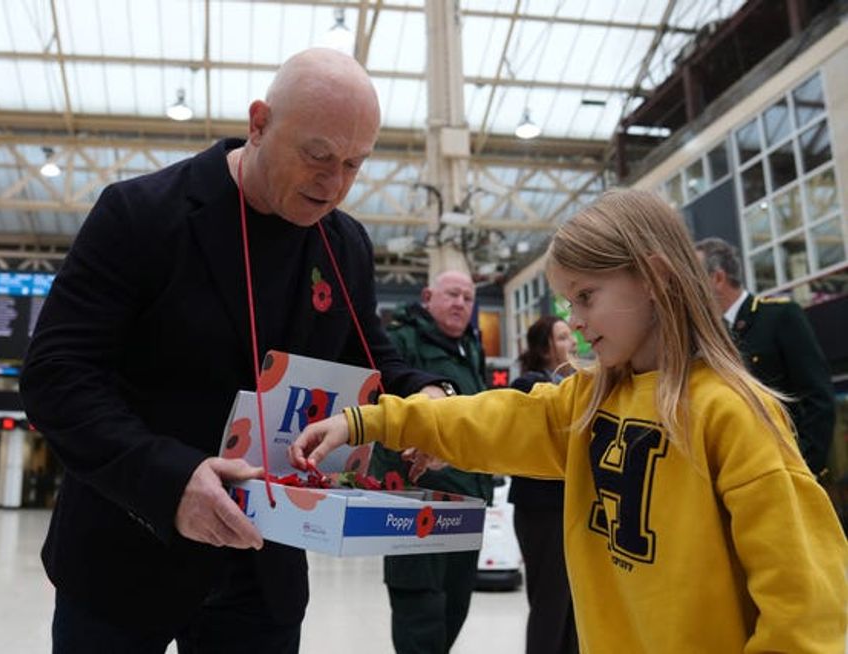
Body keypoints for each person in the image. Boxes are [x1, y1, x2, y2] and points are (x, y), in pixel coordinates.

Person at [20, 48, 448, 654]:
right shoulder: (141, 215)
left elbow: (372, 359)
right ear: (258, 123)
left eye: (354, 164)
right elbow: (56, 376)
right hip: (127, 550)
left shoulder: (344, 244)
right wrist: (172, 480)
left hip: (262, 569)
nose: (333, 184)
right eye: (317, 155)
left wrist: (431, 398)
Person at [292, 189, 848, 653]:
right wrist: (369, 422)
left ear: (654, 277)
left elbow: (806, 605)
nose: (576, 323)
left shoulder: (733, 414)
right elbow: (488, 418)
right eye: (567, 306)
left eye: (586, 296)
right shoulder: (587, 402)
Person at [370, 270, 492, 654]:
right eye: (452, 294)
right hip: (416, 503)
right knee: (419, 610)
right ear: (427, 296)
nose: (461, 303)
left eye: (468, 298)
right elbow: (380, 407)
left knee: (455, 606)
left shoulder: (471, 347)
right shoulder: (401, 342)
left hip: (467, 504)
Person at [695, 237, 835, 478]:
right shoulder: (707, 337)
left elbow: (818, 399)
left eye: (694, 279)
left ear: (717, 278)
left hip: (786, 472)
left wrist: (801, 471)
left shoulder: (779, 316)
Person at [509, 315, 578, 654]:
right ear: (543, 348)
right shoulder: (528, 386)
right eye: (563, 337)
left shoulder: (577, 383)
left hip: (572, 506)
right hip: (542, 509)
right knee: (550, 603)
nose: (574, 342)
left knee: (575, 607)